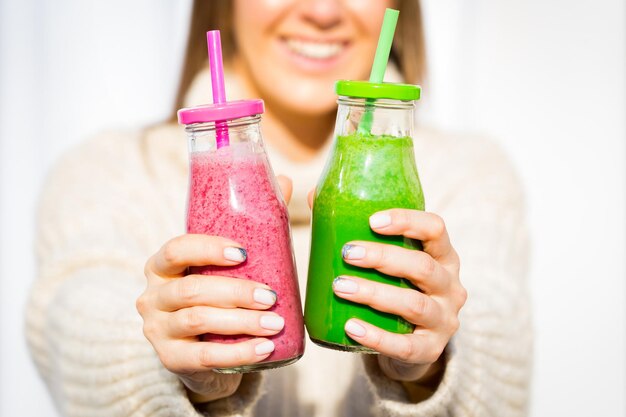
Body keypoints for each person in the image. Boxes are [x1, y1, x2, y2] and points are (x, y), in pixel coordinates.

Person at [26, 1, 532, 416]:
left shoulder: (469, 169)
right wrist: (175, 364)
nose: (321, 10)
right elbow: (78, 317)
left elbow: (499, 329)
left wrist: (434, 363)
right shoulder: (110, 169)